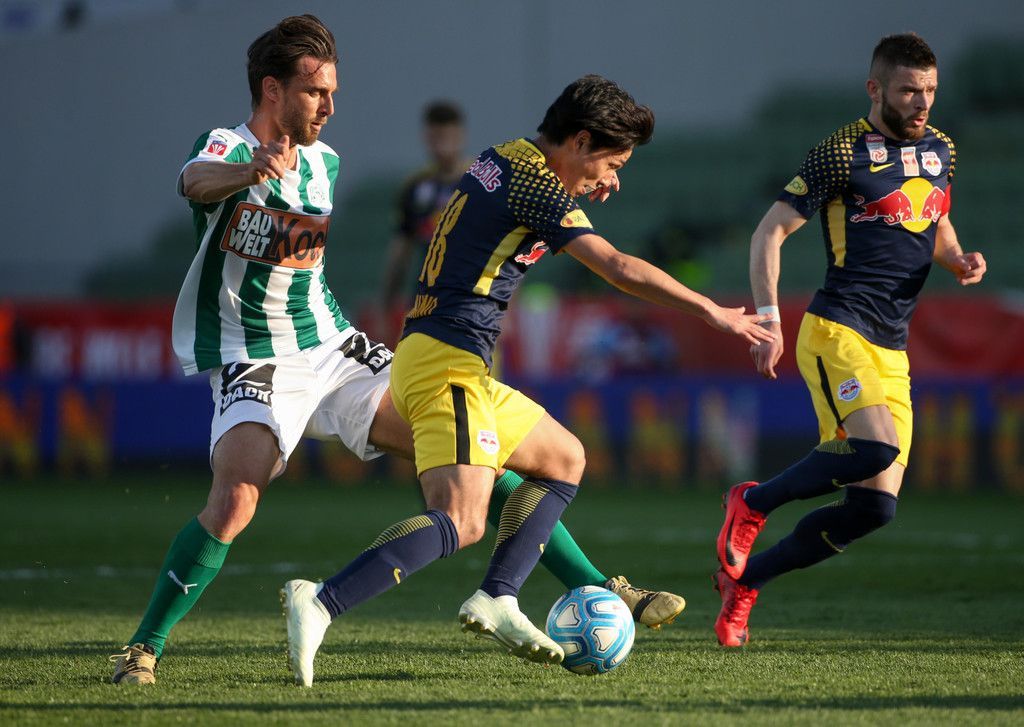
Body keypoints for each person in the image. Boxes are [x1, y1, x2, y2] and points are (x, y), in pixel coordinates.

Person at [110, 15, 685, 687]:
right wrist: (246, 171)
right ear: (272, 89)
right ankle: (143, 649)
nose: (329, 106)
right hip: (254, 355)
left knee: (479, 449)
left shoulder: (324, 163)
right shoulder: (227, 146)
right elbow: (194, 181)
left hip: (332, 348)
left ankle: (603, 586)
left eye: (333, 92)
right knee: (236, 500)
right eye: (315, 91)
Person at [282, 73, 774, 684]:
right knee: (461, 518)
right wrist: (711, 310)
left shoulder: (507, 157)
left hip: (452, 360)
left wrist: (582, 185)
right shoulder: (536, 185)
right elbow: (617, 266)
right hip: (445, 364)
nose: (613, 180)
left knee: (564, 458)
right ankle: (322, 600)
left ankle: (499, 596)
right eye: (612, 163)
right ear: (581, 140)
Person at [714, 33, 987, 647]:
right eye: (908, 91)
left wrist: (957, 258)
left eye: (930, 90)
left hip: (892, 347)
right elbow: (768, 234)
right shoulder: (842, 152)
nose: (922, 103)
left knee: (874, 509)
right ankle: (752, 502)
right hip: (837, 328)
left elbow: (935, 216)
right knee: (876, 448)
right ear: (875, 89)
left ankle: (745, 583)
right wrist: (769, 321)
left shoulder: (941, 148)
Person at [379, 100, 470, 342]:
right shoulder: (415, 187)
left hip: (474, 305)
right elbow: (400, 253)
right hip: (424, 304)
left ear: (460, 136)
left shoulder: (479, 183)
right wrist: (386, 306)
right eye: (436, 137)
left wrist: (507, 308)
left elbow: (504, 247)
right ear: (427, 138)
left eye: (447, 137)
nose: (442, 146)